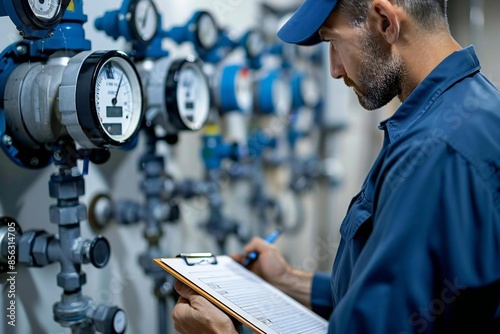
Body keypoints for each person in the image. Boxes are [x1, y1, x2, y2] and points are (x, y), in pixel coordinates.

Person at [172, 0, 500, 332]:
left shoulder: (435, 153)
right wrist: (289, 281)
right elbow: (398, 302)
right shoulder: (470, 110)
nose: (335, 70)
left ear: (385, 21)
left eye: (332, 41)